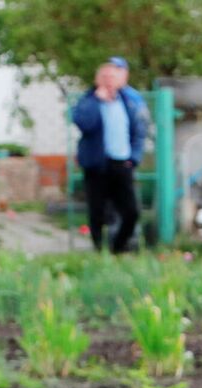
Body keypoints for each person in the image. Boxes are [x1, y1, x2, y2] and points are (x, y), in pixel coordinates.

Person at [71, 57, 153, 254]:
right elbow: (84, 123)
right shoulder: (88, 101)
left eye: (112, 76)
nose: (109, 80)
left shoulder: (129, 101)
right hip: (97, 165)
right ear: (97, 79)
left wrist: (133, 158)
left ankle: (117, 248)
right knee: (97, 211)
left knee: (130, 211)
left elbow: (138, 130)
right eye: (104, 76)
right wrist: (96, 101)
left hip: (122, 163)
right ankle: (100, 249)